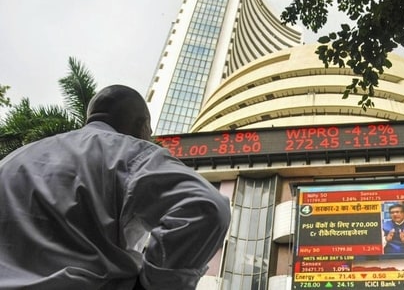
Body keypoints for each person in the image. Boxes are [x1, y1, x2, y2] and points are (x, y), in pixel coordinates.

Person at [0, 85, 231, 290]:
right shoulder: (130, 153)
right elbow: (206, 206)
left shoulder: (11, 161)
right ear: (143, 125)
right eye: (149, 132)